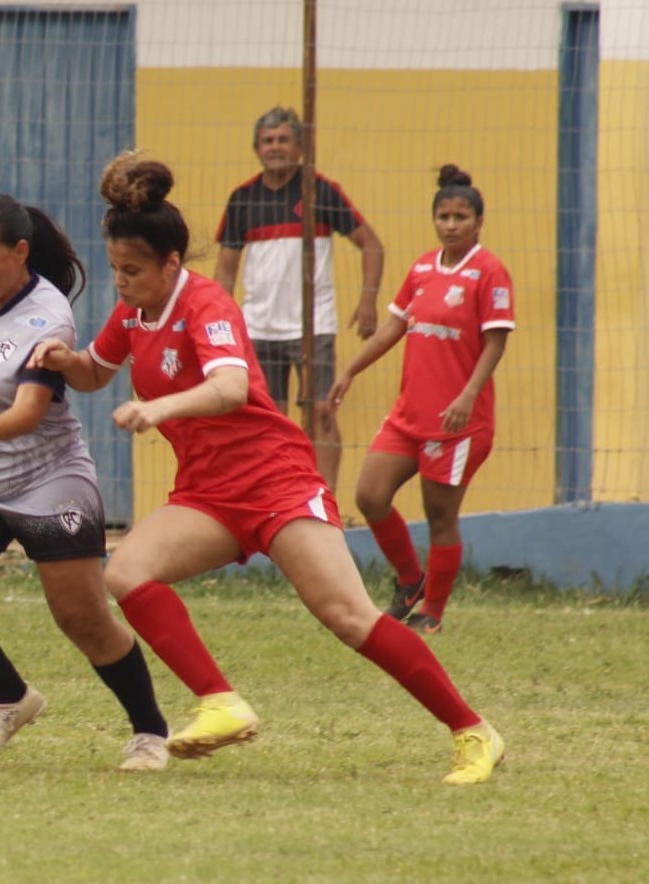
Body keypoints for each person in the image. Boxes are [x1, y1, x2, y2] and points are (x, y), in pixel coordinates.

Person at [30, 151, 504, 784]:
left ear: (172, 263)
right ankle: (221, 702)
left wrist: (161, 405)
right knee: (130, 572)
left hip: (275, 481)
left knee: (348, 617)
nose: (121, 282)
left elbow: (228, 388)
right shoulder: (133, 311)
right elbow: (95, 371)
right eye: (116, 268)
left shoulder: (206, 304)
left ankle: (474, 732)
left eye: (133, 270)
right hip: (207, 494)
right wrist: (64, 360)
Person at [0, 193, 172, 771]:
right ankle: (12, 698)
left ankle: (149, 731)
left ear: (20, 253)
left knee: (83, 619)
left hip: (49, 479)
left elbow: (26, 411)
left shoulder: (48, 317)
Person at [328, 165, 514, 634]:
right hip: (409, 414)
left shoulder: (489, 272)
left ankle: (432, 610)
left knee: (439, 515)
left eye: (461, 217)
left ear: (478, 222)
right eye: (444, 216)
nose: (451, 225)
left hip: (456, 423)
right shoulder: (423, 268)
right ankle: (411, 580)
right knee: (370, 495)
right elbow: (394, 326)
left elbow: (495, 341)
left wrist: (468, 395)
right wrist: (351, 369)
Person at [213, 106, 384, 490]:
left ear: (300, 147)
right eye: (267, 141)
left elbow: (372, 245)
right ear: (257, 148)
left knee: (322, 412)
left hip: (314, 326)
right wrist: (219, 324)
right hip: (258, 328)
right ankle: (276, 496)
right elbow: (225, 270)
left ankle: (325, 502)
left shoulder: (320, 191)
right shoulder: (242, 199)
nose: (275, 147)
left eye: (283, 140)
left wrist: (368, 301)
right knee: (268, 416)